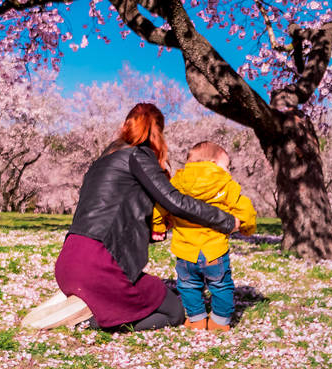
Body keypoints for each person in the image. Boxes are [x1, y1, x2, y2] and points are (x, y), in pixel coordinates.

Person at [25, 104, 240, 332]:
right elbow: (175, 201)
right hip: (99, 264)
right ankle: (89, 321)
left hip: (68, 263)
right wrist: (226, 220)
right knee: (173, 311)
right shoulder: (138, 156)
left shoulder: (100, 163)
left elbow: (111, 214)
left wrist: (151, 226)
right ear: (158, 133)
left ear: (124, 125)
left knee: (138, 292)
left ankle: (85, 298)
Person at [152, 141, 256, 332]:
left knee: (188, 286)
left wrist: (158, 226)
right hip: (214, 250)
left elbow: (159, 207)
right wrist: (247, 227)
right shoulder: (226, 183)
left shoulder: (177, 182)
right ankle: (219, 322)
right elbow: (245, 209)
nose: (228, 170)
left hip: (185, 251)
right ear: (214, 163)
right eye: (226, 166)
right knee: (221, 286)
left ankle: (197, 320)